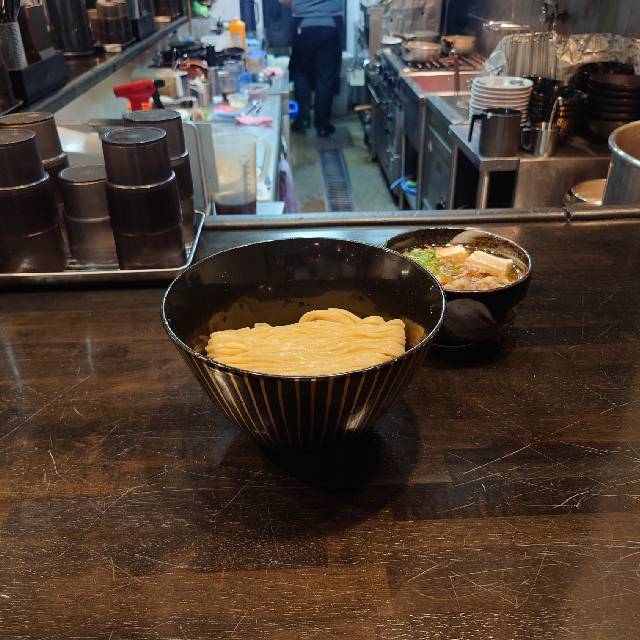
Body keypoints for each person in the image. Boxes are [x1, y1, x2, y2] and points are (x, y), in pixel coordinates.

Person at [280, 0, 343, 137]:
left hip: (302, 24)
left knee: (301, 73)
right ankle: (322, 126)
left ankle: (302, 120)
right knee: (325, 78)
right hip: (330, 24)